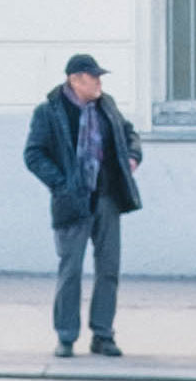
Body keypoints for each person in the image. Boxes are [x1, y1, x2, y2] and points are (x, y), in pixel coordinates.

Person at [20, 51, 145, 357]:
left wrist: (132, 155)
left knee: (109, 269)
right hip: (72, 201)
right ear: (75, 80)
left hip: (108, 197)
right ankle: (66, 336)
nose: (99, 82)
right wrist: (62, 184)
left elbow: (129, 133)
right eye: (94, 77)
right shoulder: (49, 112)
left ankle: (103, 335)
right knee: (71, 269)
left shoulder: (106, 105)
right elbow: (33, 154)